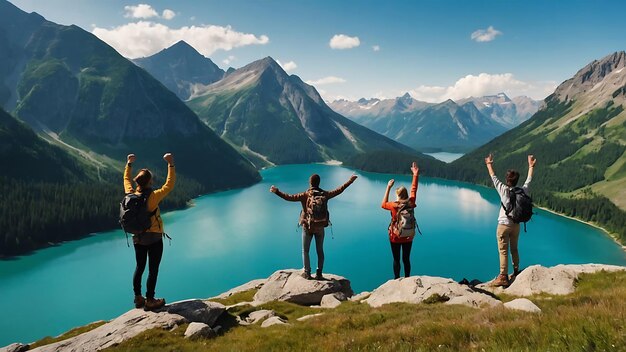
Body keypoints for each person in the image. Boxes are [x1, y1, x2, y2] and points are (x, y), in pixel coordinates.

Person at [269, 173, 358, 280]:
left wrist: (277, 191)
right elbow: (339, 190)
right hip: (320, 226)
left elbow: (289, 197)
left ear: (310, 183)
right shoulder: (324, 194)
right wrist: (350, 180)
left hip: (308, 227)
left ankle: (307, 273)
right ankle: (319, 273)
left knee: (305, 250)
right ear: (319, 182)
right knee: (320, 250)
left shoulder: (305, 195)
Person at [124, 153, 176, 310]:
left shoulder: (130, 193)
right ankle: (151, 300)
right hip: (153, 238)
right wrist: (170, 164)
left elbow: (126, 180)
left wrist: (129, 164)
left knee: (139, 267)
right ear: (149, 181)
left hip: (137, 238)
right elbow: (169, 185)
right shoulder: (153, 197)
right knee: (153, 269)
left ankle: (138, 298)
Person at [484, 153, 536, 287]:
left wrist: (489, 164)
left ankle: (503, 276)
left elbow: (493, 177)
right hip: (516, 225)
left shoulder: (503, 189)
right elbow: (529, 180)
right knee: (514, 249)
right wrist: (531, 166)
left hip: (503, 225)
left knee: (503, 251)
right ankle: (517, 271)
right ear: (517, 180)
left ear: (507, 179)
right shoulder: (522, 191)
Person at [382, 162, 419, 279]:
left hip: (396, 236)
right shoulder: (411, 203)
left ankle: (396, 279)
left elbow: (383, 204)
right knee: (406, 259)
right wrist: (415, 174)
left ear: (398, 195)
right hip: (408, 235)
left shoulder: (394, 205)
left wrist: (388, 187)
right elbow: (414, 189)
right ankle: (408, 278)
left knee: (396, 259)